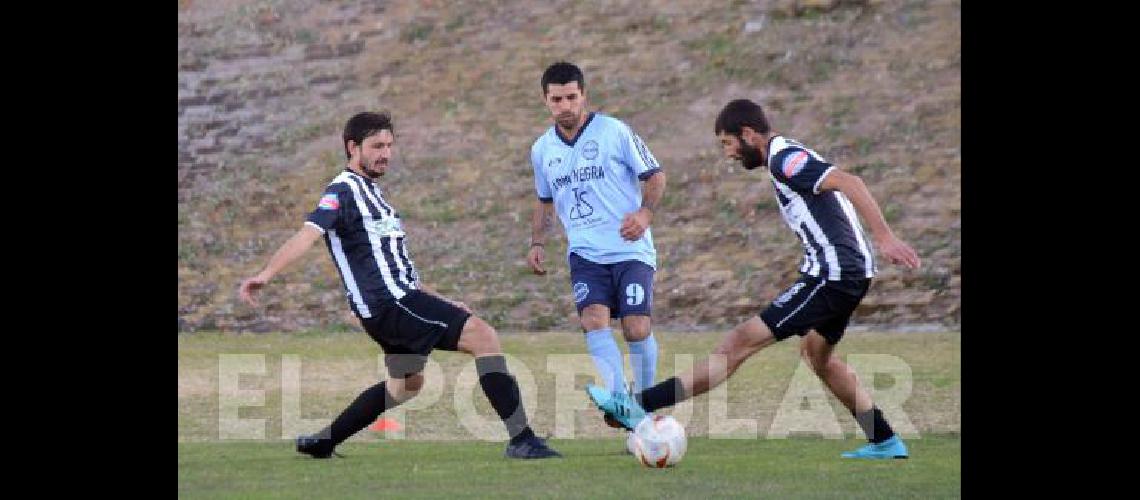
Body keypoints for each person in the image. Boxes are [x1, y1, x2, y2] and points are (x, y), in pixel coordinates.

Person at [587, 98, 922, 459]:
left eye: (728, 143)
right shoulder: (784, 155)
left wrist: (885, 236)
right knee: (817, 355)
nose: (728, 153)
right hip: (844, 272)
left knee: (736, 345)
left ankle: (637, 406)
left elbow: (849, 182)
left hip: (833, 275)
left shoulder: (784, 158)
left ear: (748, 134)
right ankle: (885, 440)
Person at [239, 111, 560, 459]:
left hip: (398, 301)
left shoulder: (376, 197)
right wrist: (266, 274)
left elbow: (400, 269)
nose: (386, 153)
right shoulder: (343, 191)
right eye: (377, 146)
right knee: (483, 336)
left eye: (390, 145)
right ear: (352, 147)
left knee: (407, 385)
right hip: (389, 304)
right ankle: (522, 439)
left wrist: (445, 301)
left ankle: (325, 442)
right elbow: (308, 234)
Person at [526, 62, 667, 428]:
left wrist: (645, 214)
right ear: (546, 101)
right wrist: (537, 241)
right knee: (593, 320)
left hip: (630, 249)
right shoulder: (542, 149)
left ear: (583, 95)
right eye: (557, 99)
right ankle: (622, 403)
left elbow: (654, 176)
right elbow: (544, 199)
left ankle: (645, 402)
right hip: (585, 254)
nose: (565, 106)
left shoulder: (614, 131)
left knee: (636, 327)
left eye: (572, 97)